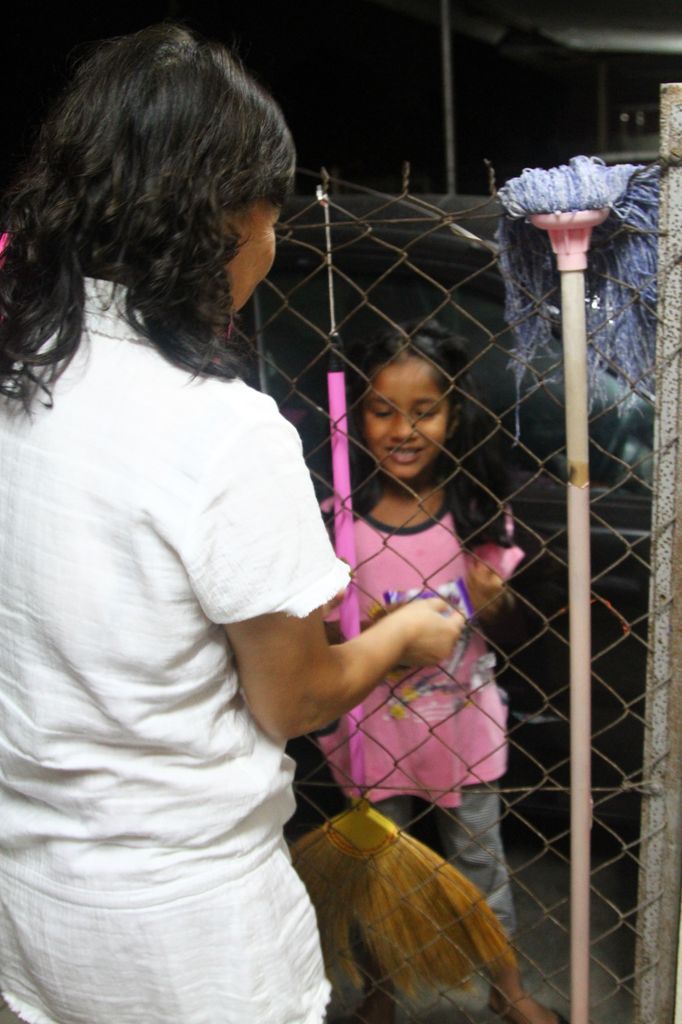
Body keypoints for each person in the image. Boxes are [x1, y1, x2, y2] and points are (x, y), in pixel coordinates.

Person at [0, 26, 464, 1024]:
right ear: (219, 221)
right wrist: (398, 637)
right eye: (269, 214)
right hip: (189, 928)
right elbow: (292, 699)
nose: (273, 241)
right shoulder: (222, 429)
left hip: (34, 902)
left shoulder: (22, 378)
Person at [318, 320, 565, 1024]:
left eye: (424, 411)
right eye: (382, 410)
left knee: (482, 867)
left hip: (463, 732)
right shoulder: (340, 523)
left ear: (454, 416)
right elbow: (322, 635)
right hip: (372, 737)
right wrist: (351, 621)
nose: (403, 430)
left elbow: (518, 635)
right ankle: (382, 992)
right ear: (356, 415)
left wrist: (495, 602)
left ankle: (506, 987)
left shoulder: (477, 513)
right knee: (376, 873)